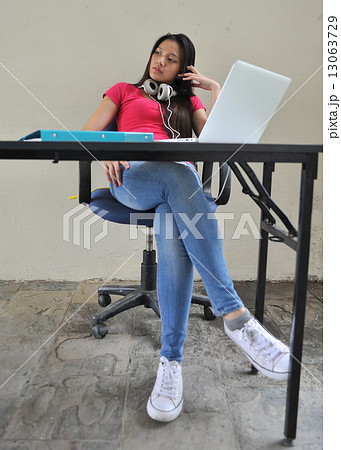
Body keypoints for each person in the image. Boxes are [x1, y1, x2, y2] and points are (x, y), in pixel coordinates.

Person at [82, 33, 290, 423]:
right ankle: (237, 319)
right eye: (157, 53)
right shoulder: (124, 91)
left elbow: (220, 143)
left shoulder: (188, 101)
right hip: (133, 179)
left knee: (172, 214)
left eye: (171, 58)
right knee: (181, 178)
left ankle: (170, 365)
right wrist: (105, 150)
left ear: (183, 69)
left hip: (178, 190)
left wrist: (213, 90)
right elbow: (86, 133)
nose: (159, 61)